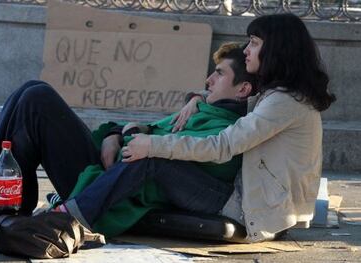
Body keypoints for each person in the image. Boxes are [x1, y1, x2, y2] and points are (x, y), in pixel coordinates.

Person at [0, 43, 256, 239]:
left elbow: (154, 150)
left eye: (219, 74)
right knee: (32, 88)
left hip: (107, 190)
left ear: (243, 89)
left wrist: (126, 134)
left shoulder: (224, 129)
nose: (208, 79)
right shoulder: (200, 108)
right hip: (104, 167)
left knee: (37, 100)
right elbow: (140, 131)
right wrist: (114, 134)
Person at [122, 13, 336, 243]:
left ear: (276, 49)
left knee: (151, 161)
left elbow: (221, 145)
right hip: (265, 207)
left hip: (256, 214)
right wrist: (198, 99)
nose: (246, 50)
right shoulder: (280, 95)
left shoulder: (282, 102)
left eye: (254, 43)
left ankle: (81, 221)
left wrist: (152, 145)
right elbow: (235, 100)